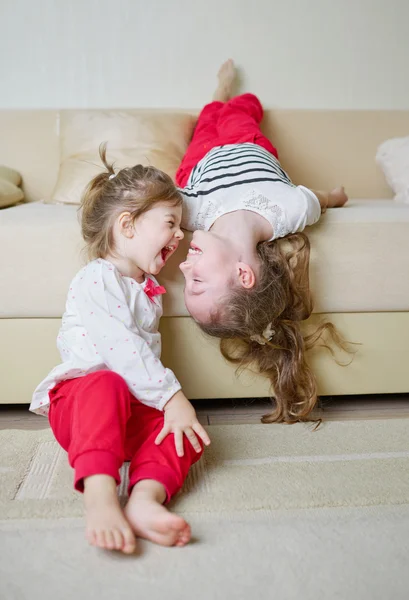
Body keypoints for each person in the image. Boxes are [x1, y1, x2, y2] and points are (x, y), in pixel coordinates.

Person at [30, 146, 211, 554]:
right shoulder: (96, 279)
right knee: (107, 383)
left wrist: (169, 410)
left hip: (129, 410)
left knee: (189, 434)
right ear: (127, 225)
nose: (180, 235)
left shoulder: (147, 291)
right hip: (82, 406)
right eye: (170, 223)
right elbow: (124, 349)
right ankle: (100, 498)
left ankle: (145, 501)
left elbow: (142, 367)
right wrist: (171, 395)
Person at [177, 59, 349, 425]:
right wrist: (335, 196)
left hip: (198, 164)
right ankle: (234, 95)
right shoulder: (286, 212)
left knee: (208, 119)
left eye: (185, 280)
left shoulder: (190, 215)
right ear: (244, 274)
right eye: (197, 280)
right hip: (248, 146)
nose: (182, 266)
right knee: (242, 110)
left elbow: (151, 205)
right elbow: (315, 198)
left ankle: (217, 93)